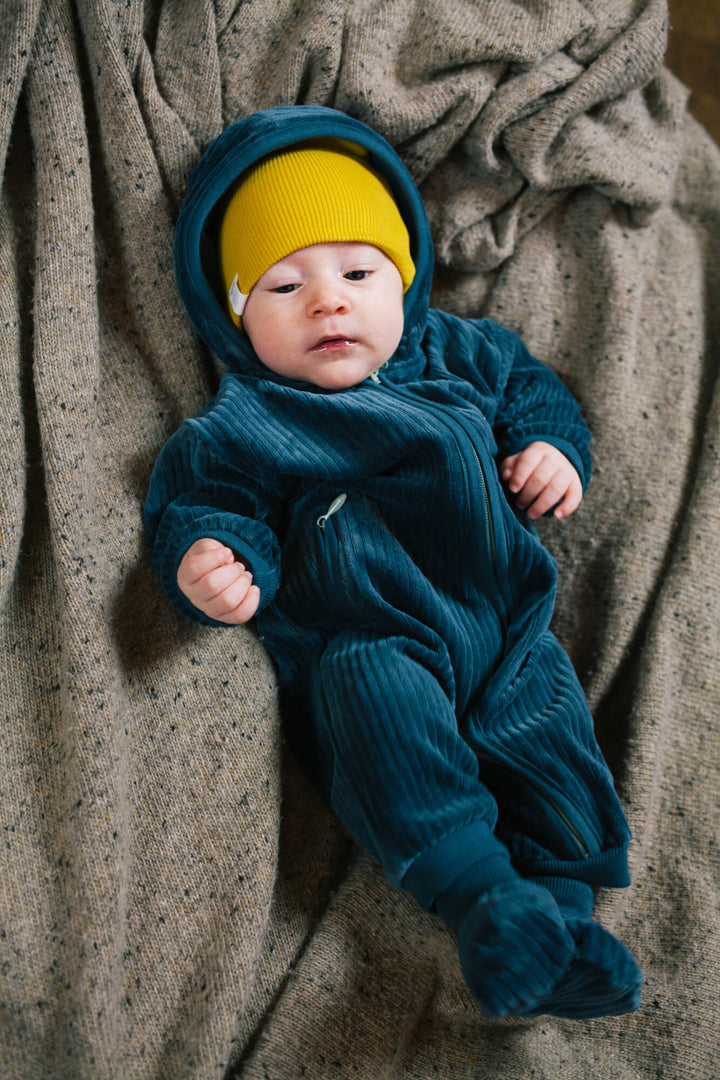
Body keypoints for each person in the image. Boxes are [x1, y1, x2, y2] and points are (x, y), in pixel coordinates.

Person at [145, 105, 642, 1020]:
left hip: (505, 627)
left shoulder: (459, 352)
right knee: (375, 706)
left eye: (357, 272)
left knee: (555, 745)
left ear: (405, 277)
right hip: (375, 636)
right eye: (284, 285)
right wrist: (210, 559)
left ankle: (558, 922)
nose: (328, 301)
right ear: (235, 317)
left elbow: (534, 390)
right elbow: (206, 502)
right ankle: (484, 899)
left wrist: (550, 447)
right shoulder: (249, 420)